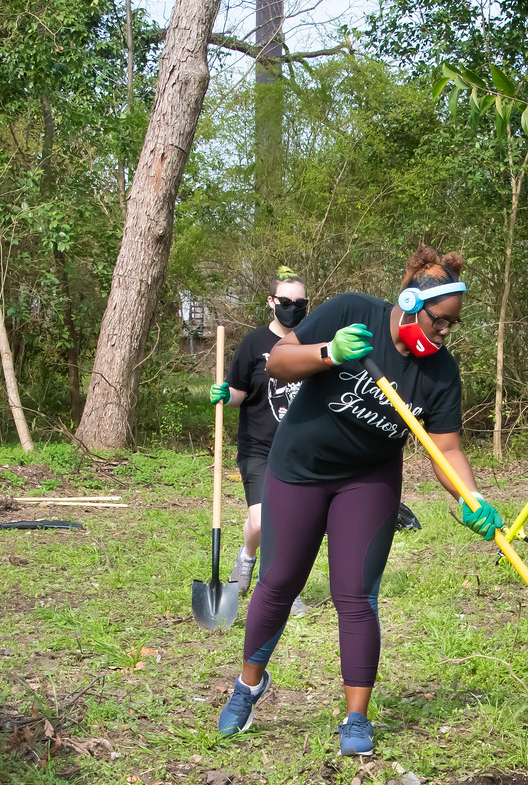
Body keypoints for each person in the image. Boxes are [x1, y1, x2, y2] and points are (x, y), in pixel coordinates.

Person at [215, 246, 502, 756]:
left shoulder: (440, 374)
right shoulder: (352, 313)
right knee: (278, 582)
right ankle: (248, 685)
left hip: (368, 481)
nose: (445, 333)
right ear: (412, 304)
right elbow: (278, 363)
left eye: (452, 326)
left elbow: (446, 448)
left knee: (356, 595)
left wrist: (470, 496)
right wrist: (330, 353)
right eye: (441, 322)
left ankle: (355, 717)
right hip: (298, 470)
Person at [208, 267, 309, 615]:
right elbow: (239, 392)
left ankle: (283, 588)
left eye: (300, 303)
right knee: (261, 521)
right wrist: (225, 395)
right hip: (258, 447)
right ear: (271, 302)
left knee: (290, 523)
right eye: (285, 301)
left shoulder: (313, 342)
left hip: (299, 451)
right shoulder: (253, 343)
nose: (292, 308)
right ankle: (248, 556)